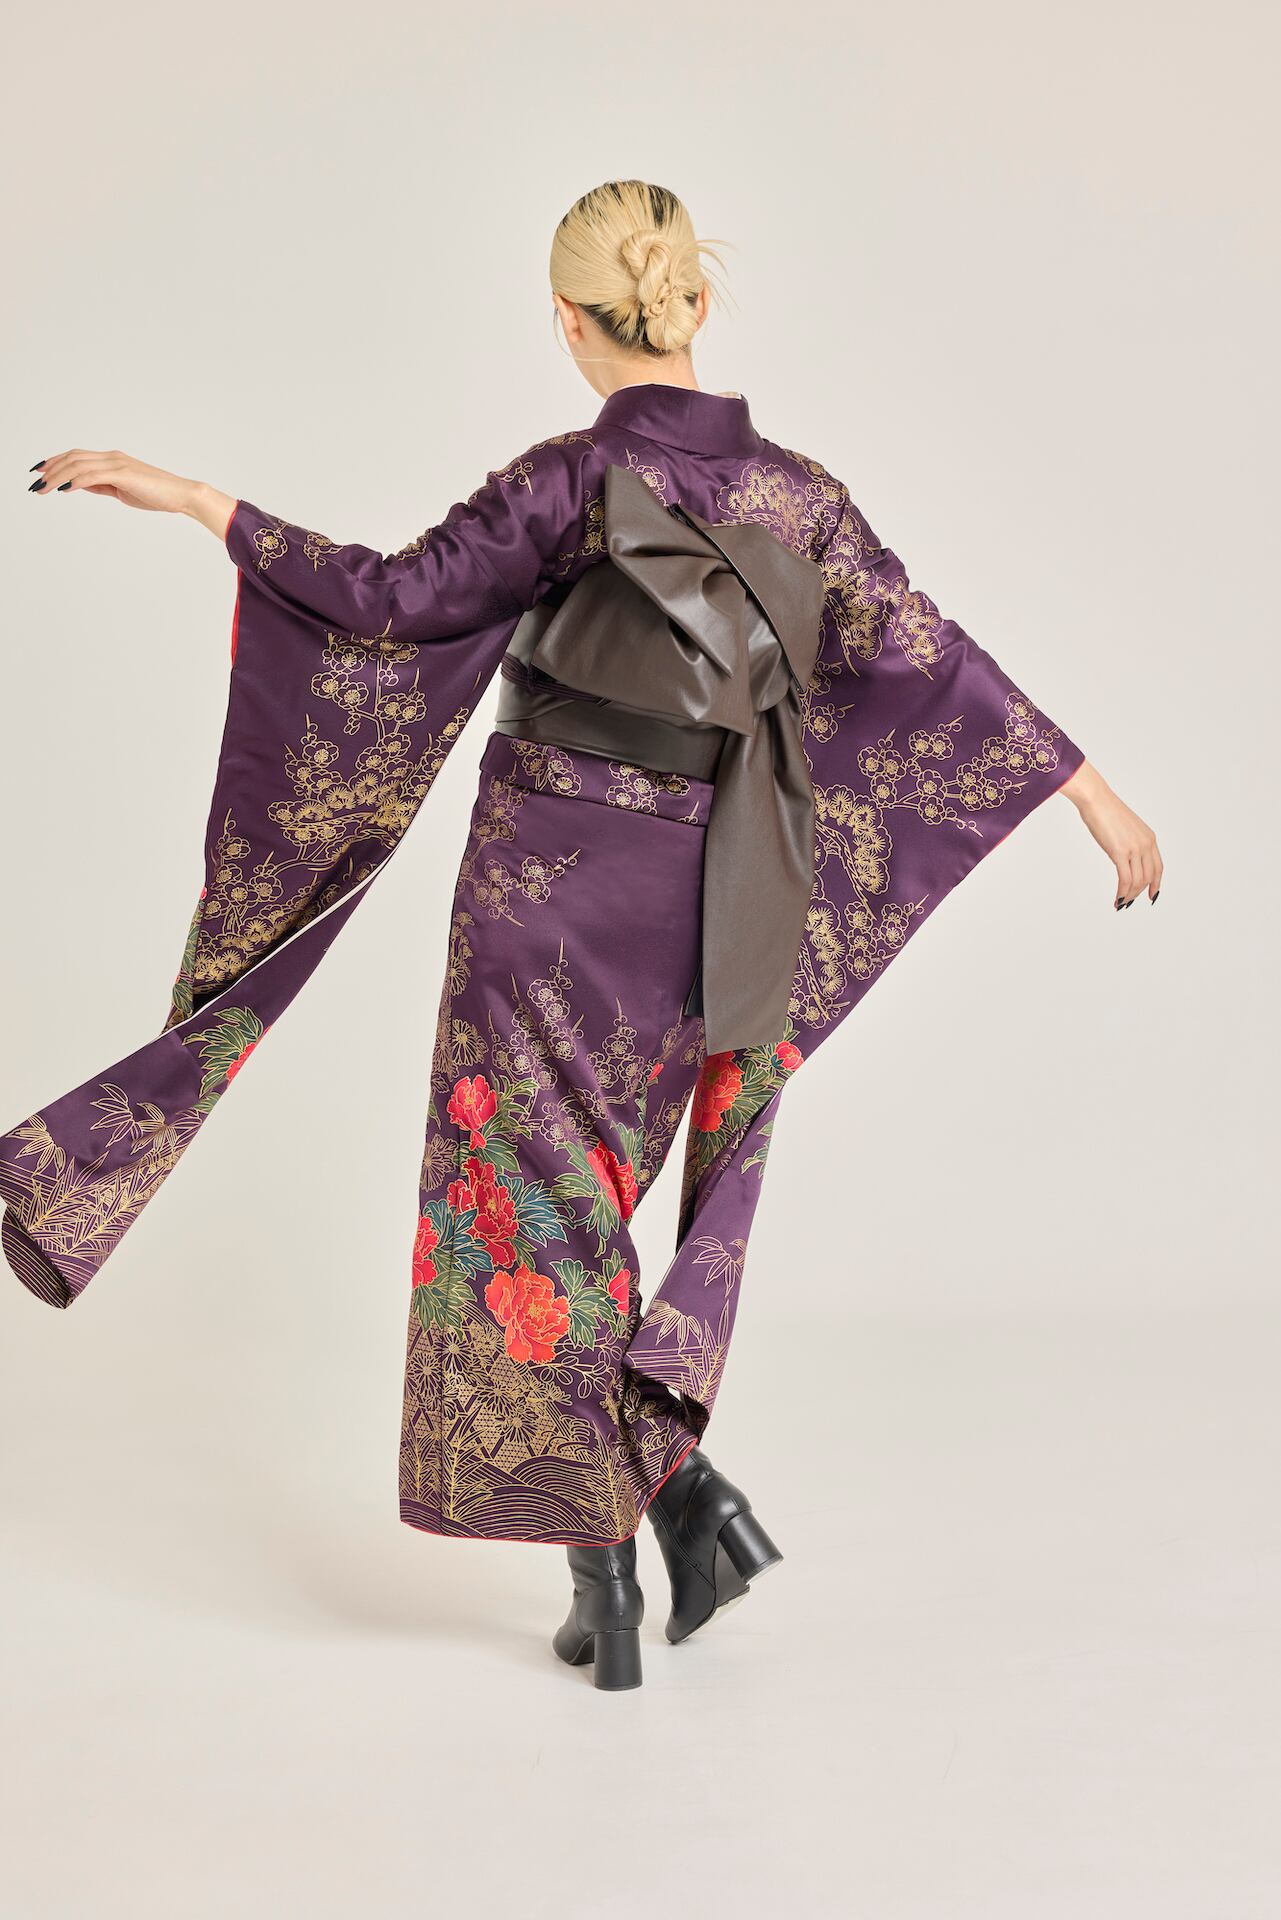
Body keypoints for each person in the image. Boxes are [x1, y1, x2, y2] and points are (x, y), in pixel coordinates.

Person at [7, 178, 1161, 1692]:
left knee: (529, 1204)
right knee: (586, 1204)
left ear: (567, 319)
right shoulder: (802, 499)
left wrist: (204, 503)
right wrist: (1090, 791)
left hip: (544, 879)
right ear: (694, 305)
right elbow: (926, 655)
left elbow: (392, 602)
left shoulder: (568, 480)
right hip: (709, 892)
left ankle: (627, 1560)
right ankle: (669, 1517)